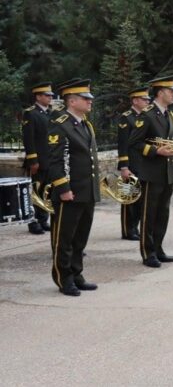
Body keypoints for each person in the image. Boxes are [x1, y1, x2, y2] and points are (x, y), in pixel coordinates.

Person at [47, 79, 100, 296]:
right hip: (70, 191)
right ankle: (63, 277)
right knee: (65, 238)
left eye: (89, 98)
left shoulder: (85, 124)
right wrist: (63, 188)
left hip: (86, 191)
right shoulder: (60, 124)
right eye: (85, 98)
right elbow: (55, 160)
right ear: (72, 100)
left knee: (80, 237)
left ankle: (77, 273)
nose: (90, 102)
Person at [128, 75, 173, 268]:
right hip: (151, 172)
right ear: (160, 93)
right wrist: (156, 150)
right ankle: (148, 252)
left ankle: (158, 248)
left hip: (167, 171)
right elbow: (134, 142)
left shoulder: (169, 115)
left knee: (162, 213)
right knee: (149, 213)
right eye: (171, 91)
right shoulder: (147, 115)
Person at [116, 86, 149, 241]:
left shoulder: (145, 116)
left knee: (140, 199)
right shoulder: (126, 117)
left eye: (148, 99)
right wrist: (124, 166)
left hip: (143, 163)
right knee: (129, 199)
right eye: (144, 99)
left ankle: (135, 227)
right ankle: (127, 229)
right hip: (130, 164)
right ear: (135, 101)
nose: (147, 101)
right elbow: (122, 144)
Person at [22, 82, 55, 235]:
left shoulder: (49, 113)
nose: (50, 98)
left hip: (49, 159)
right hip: (38, 161)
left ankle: (43, 219)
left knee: (46, 191)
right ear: (38, 96)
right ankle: (33, 222)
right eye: (47, 95)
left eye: (51, 95)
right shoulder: (31, 113)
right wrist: (33, 160)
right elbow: (29, 139)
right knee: (35, 191)